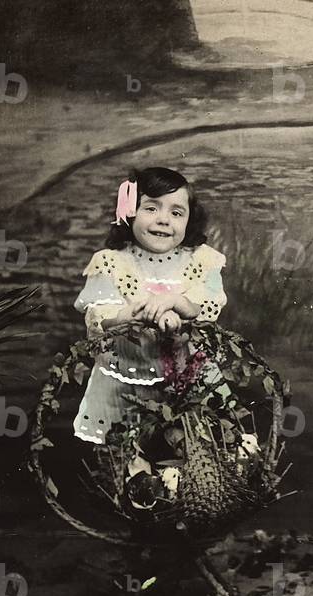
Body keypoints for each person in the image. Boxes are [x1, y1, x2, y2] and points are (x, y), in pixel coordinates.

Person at [72, 167, 227, 448]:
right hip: (125, 374)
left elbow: (208, 302)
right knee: (124, 450)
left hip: (186, 374)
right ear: (130, 212)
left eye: (176, 213)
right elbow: (99, 314)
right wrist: (142, 313)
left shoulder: (202, 260)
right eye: (151, 208)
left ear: (190, 219)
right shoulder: (110, 262)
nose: (163, 220)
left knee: (192, 446)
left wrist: (176, 302)